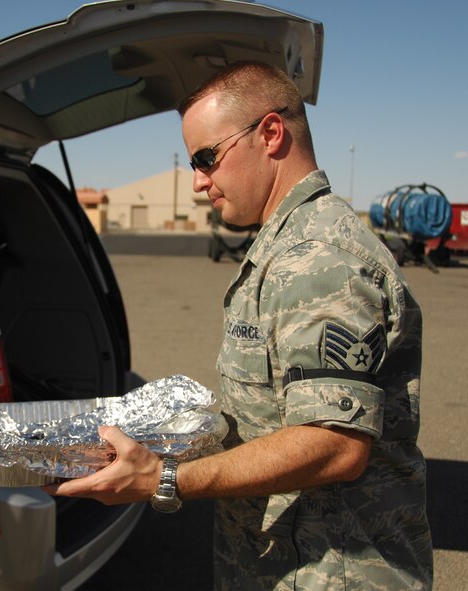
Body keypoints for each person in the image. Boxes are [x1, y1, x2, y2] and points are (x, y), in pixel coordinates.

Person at [49, 61, 433, 590]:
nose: (198, 181)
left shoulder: (321, 257)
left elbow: (334, 443)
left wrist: (164, 478)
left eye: (207, 158)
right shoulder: (286, 245)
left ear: (271, 134)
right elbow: (275, 415)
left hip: (331, 572)